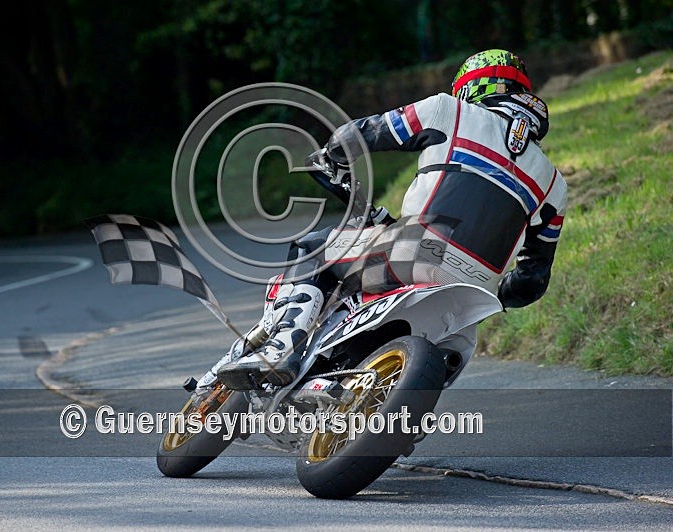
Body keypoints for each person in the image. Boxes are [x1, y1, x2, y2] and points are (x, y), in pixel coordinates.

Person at [206, 49, 568, 391]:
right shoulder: (554, 185)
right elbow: (531, 283)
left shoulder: (449, 110)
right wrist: (496, 292)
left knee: (314, 248)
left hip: (417, 250)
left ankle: (281, 348)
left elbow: (359, 134)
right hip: (474, 294)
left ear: (471, 87)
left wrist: (333, 156)